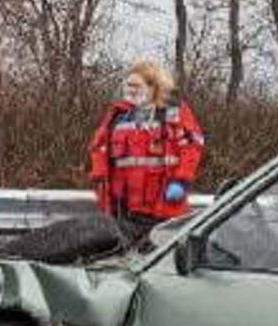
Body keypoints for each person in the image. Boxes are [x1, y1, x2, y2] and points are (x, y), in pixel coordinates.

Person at [87, 61, 206, 232]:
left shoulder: (174, 113)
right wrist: (100, 181)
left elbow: (192, 147)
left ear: (153, 87)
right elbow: (98, 148)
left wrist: (180, 180)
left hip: (162, 204)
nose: (130, 90)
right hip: (122, 206)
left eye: (136, 85)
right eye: (128, 85)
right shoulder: (118, 116)